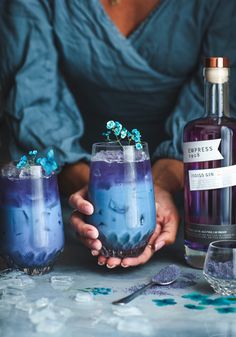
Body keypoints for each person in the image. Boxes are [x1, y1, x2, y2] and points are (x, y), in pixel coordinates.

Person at [0, 0, 236, 268]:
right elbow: (34, 104)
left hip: (190, 208)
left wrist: (156, 188)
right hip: (73, 204)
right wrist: (94, 192)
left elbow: (213, 104)